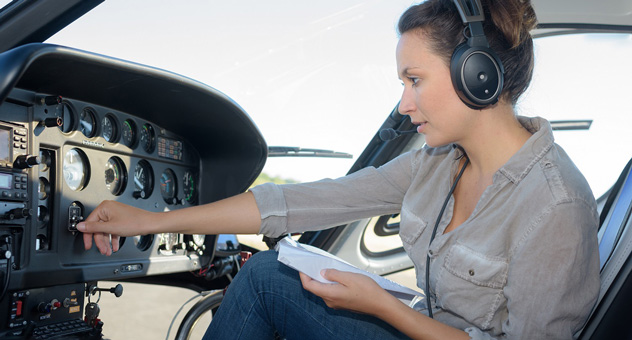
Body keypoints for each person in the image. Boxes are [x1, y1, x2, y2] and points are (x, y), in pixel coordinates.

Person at [77, 0, 600, 339]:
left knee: (264, 282)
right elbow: (301, 202)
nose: (403, 104)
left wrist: (385, 306)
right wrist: (146, 220)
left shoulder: (556, 204)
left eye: (414, 80)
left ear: (476, 76)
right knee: (272, 272)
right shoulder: (436, 166)